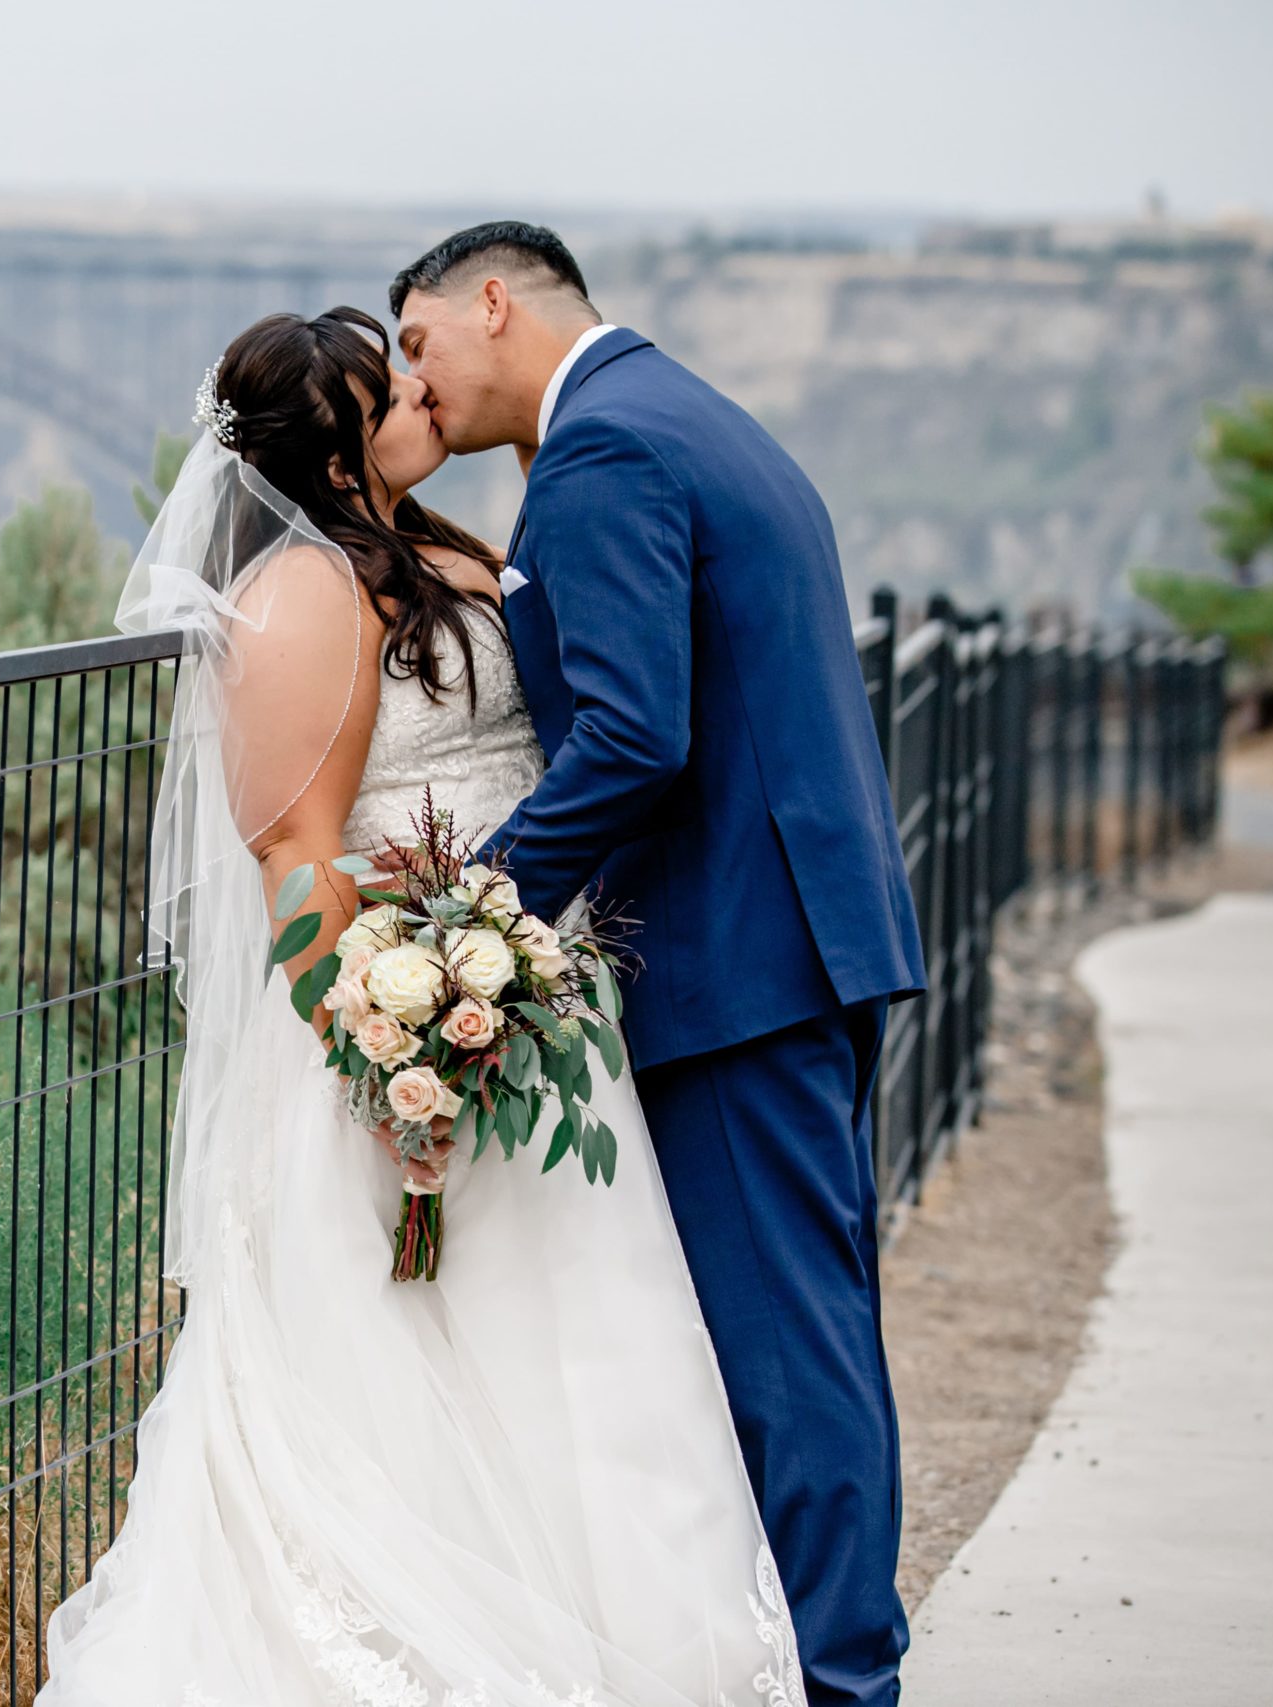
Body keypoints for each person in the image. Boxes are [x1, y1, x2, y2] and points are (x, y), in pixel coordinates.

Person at [38, 306, 808, 1707]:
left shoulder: (449, 553)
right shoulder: (297, 602)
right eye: (385, 392)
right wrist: (378, 1050)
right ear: (336, 454)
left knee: (580, 1326)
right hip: (405, 1023)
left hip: (525, 991)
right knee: (417, 1349)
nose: (419, 395)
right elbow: (293, 856)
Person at [397, 222, 926, 1707]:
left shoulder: (606, 453)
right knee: (809, 1331)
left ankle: (840, 1683)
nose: (418, 386)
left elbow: (636, 734)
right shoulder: (678, 410)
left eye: (423, 343)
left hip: (736, 958)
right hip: (794, 934)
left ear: (494, 302)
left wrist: (476, 922)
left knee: (788, 1357)